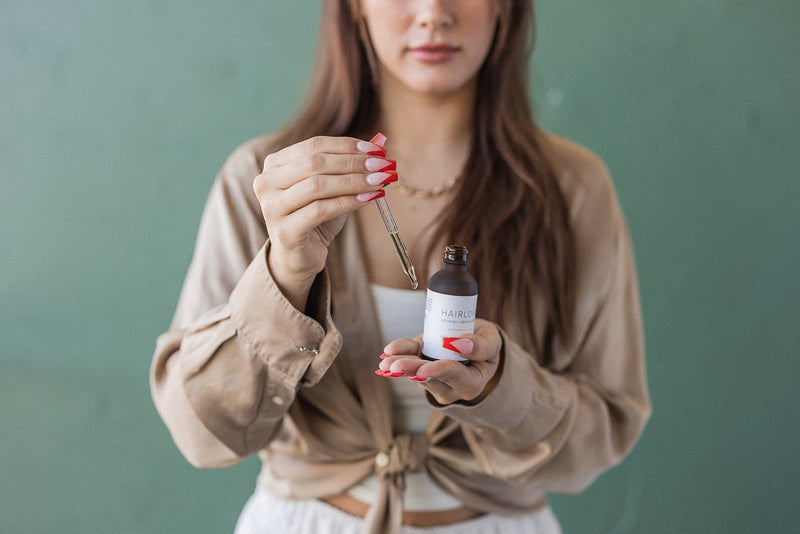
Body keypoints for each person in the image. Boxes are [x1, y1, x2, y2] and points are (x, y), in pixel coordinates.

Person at [150, 1, 651, 533]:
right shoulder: (268, 183)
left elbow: (605, 431)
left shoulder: (573, 190)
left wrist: (498, 388)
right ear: (355, 9)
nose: (433, 13)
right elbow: (203, 434)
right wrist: (285, 273)